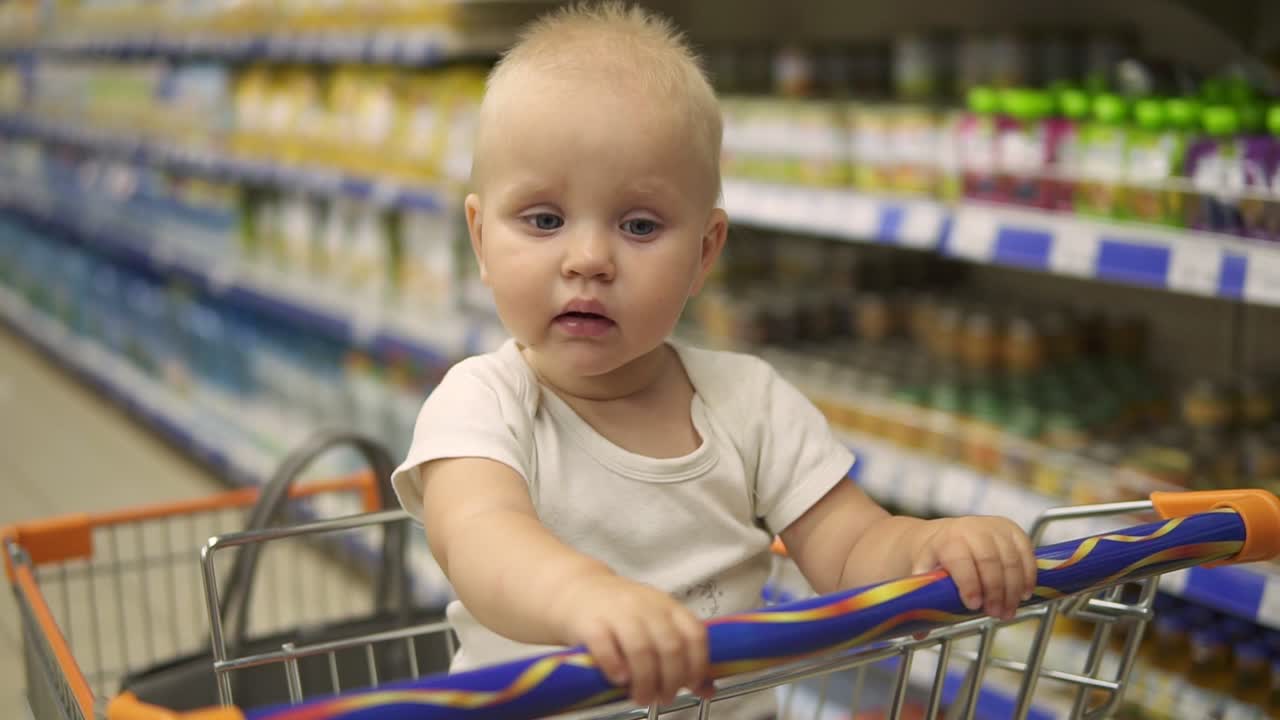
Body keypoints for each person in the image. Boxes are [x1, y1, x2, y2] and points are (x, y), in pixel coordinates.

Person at [390, 2, 1036, 715]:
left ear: (704, 253)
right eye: (544, 219)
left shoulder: (749, 403)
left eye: (639, 225)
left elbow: (852, 547)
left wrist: (931, 546)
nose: (588, 260)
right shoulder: (481, 403)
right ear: (480, 239)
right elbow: (482, 542)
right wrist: (586, 600)